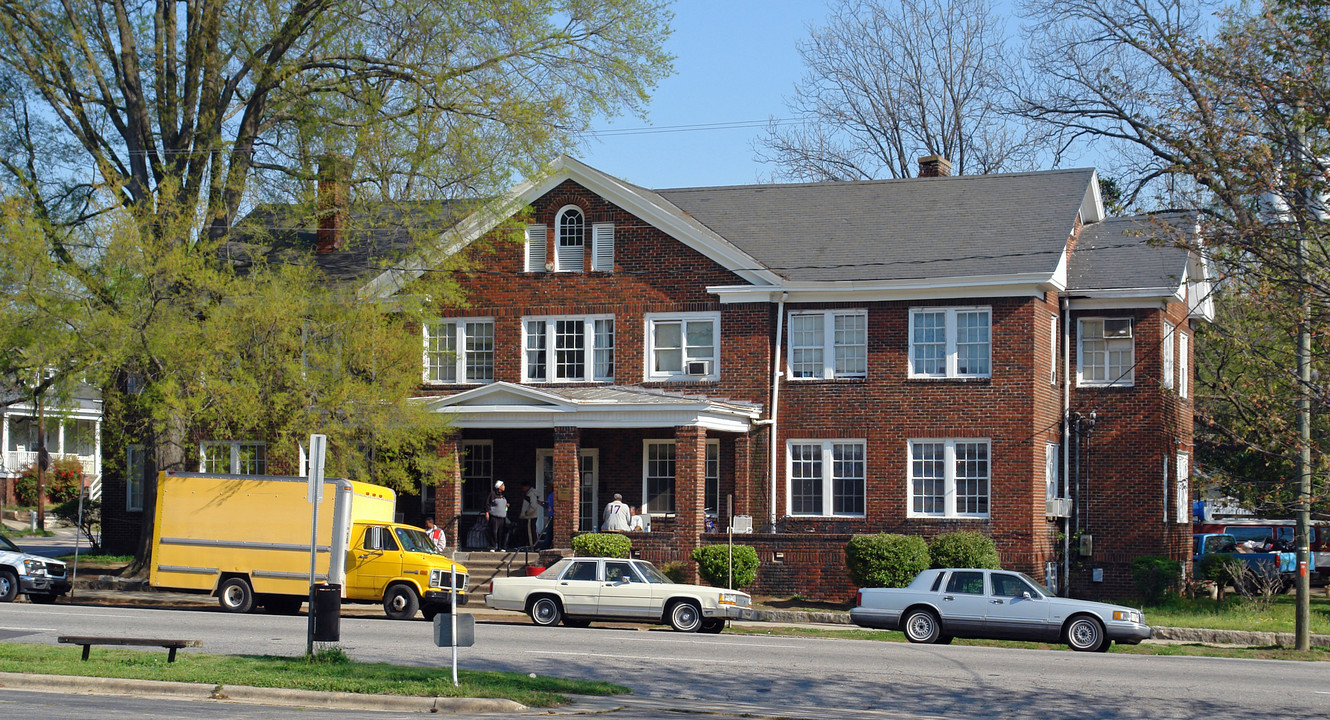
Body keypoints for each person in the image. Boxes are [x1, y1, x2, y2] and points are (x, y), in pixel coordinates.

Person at [485, 480, 508, 552]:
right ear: (499, 487)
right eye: (503, 485)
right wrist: (487, 513)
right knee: (494, 532)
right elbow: (487, 504)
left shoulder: (504, 495)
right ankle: (493, 546)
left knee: (501, 533)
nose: (504, 487)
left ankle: (501, 547)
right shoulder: (493, 494)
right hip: (494, 517)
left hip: (502, 517)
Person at [519, 481, 541, 548]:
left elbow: (533, 506)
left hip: (530, 517)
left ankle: (533, 546)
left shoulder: (531, 494)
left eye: (523, 487)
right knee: (530, 531)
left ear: (527, 486)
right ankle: (531, 546)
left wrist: (527, 513)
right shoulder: (529, 493)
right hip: (530, 516)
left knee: (530, 532)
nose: (522, 488)